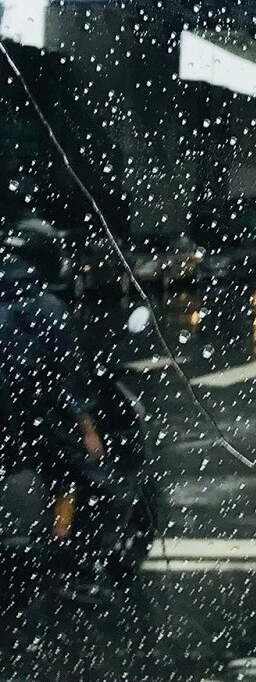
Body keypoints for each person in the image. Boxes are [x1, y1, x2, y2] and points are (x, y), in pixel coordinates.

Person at [0, 218, 112, 600]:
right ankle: (71, 563)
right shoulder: (46, 308)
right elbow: (70, 378)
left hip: (9, 421)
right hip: (31, 419)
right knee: (84, 474)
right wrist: (87, 427)